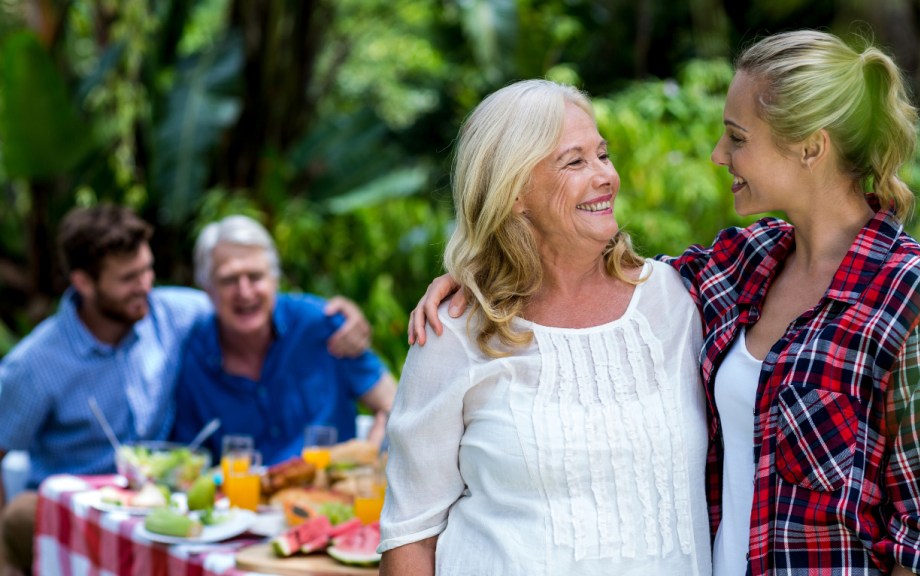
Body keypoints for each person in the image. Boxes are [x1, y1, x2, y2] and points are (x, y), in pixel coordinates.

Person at [410, 31, 920, 576]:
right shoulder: (742, 266)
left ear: (811, 146)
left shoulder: (916, 298)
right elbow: (590, 281)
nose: (717, 154)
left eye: (737, 137)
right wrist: (475, 275)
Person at [379, 80, 711, 576]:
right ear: (513, 193)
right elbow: (410, 535)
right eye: (574, 162)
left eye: (603, 155)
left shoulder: (676, 300)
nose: (605, 177)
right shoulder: (455, 331)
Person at [0, 205, 369, 575]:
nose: (145, 286)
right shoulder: (35, 364)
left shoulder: (171, 312)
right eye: (129, 278)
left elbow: (255, 303)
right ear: (83, 283)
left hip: (162, 511)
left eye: (148, 270)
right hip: (75, 511)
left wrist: (342, 316)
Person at [170, 215, 397, 465]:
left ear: (275, 280)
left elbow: (394, 405)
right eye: (229, 280)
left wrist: (366, 460)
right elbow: (188, 460)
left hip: (331, 498)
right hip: (241, 502)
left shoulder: (321, 324)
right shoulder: (195, 358)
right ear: (208, 289)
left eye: (255, 277)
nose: (245, 292)